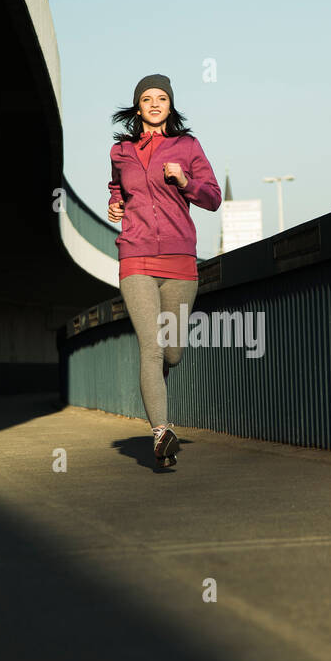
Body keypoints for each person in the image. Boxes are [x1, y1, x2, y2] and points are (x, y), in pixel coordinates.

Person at [107, 74, 221, 466]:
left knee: (172, 354)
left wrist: (185, 179)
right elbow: (117, 189)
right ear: (137, 107)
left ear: (170, 106)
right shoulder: (120, 151)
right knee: (151, 348)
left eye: (161, 99)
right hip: (135, 257)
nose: (154, 104)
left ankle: (161, 421)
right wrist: (116, 205)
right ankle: (161, 432)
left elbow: (213, 198)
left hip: (179, 261)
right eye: (147, 99)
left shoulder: (187, 146)